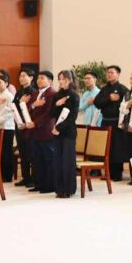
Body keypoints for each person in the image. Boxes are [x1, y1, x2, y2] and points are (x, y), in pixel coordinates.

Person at [94, 65, 131, 181]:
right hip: (105, 121)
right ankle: (107, 173)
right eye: (108, 73)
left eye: (112, 72)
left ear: (118, 74)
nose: (109, 74)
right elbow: (97, 103)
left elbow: (127, 106)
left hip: (117, 122)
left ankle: (117, 174)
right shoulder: (104, 89)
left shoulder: (122, 89)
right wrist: (109, 99)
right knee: (107, 148)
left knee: (117, 148)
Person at [27, 70, 58, 194]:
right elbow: (29, 108)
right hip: (35, 131)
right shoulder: (35, 93)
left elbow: (49, 113)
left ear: (50, 81)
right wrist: (33, 105)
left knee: (48, 158)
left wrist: (35, 123)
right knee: (37, 159)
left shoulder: (52, 93)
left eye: (42, 78)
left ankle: (49, 185)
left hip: (46, 131)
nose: (39, 80)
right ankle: (39, 183)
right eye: (38, 78)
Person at [51, 70, 80, 198]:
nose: (61, 81)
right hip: (57, 132)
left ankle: (69, 189)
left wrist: (58, 127)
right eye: (60, 79)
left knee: (67, 161)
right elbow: (51, 113)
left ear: (70, 80)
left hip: (68, 132)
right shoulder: (57, 95)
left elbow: (72, 117)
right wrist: (57, 104)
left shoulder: (74, 95)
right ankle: (59, 189)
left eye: (64, 79)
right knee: (57, 160)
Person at [0, 70, 17, 183]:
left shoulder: (9, 96)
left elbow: (11, 112)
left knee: (6, 152)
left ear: (6, 83)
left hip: (7, 127)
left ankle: (7, 176)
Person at [13, 68, 37, 187]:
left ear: (31, 78)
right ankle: (25, 177)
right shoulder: (19, 92)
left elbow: (33, 110)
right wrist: (20, 102)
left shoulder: (34, 92)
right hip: (19, 125)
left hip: (29, 126)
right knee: (22, 153)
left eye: (24, 76)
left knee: (30, 153)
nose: (21, 78)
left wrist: (21, 103)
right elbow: (13, 107)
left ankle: (33, 178)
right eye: (20, 76)